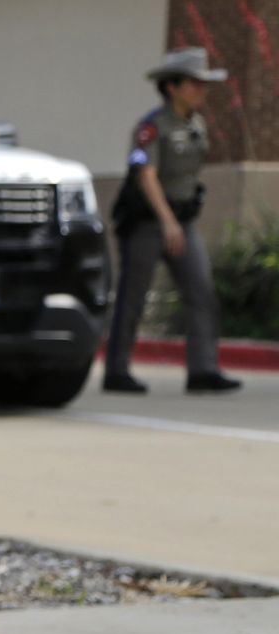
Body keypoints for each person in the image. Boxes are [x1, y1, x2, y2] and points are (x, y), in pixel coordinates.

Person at [103, 48, 242, 395]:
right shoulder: (151, 127)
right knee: (134, 296)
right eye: (195, 83)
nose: (201, 90)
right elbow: (145, 175)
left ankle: (202, 369)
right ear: (172, 87)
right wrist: (167, 221)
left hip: (181, 220)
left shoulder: (195, 124)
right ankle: (116, 371)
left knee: (201, 291)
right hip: (149, 221)